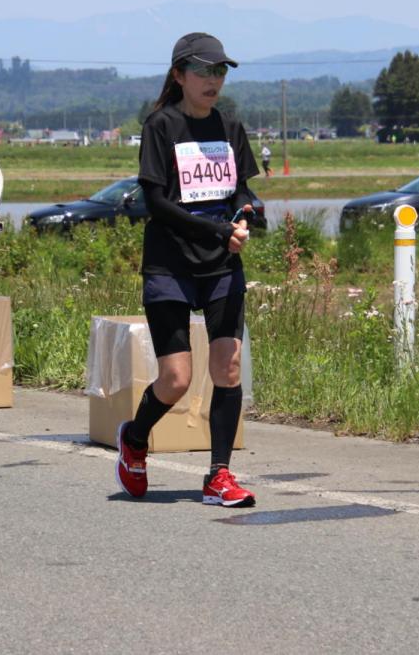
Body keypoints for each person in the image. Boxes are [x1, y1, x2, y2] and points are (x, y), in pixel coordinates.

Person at [115, 32, 259, 508]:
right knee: (176, 378)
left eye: (220, 71)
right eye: (203, 71)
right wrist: (218, 231)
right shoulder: (161, 126)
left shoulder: (229, 126)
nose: (213, 80)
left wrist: (245, 213)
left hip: (221, 266)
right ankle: (135, 440)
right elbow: (157, 203)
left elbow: (242, 190)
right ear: (179, 75)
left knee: (228, 366)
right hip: (170, 264)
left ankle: (219, 475)